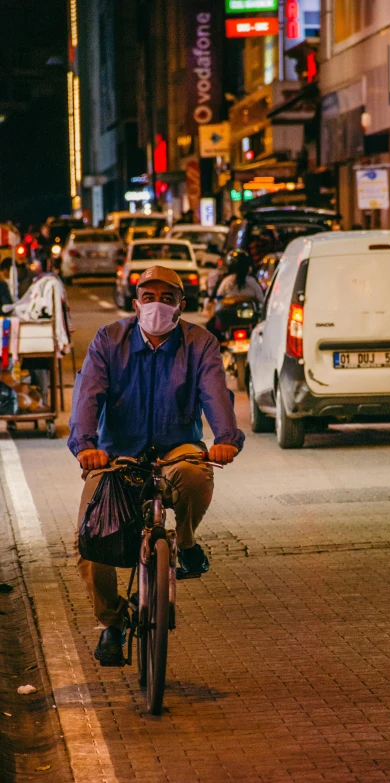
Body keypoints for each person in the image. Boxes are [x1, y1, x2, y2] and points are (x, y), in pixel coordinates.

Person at [68, 265, 245, 666]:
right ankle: (112, 624)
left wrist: (225, 440)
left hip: (175, 448)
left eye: (168, 298)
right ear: (136, 304)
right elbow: (87, 396)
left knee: (195, 475)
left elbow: (216, 394)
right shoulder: (109, 340)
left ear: (181, 305)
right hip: (116, 456)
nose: (158, 306)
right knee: (91, 541)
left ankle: (183, 543)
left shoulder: (200, 343)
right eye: (149, 298)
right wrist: (86, 446)